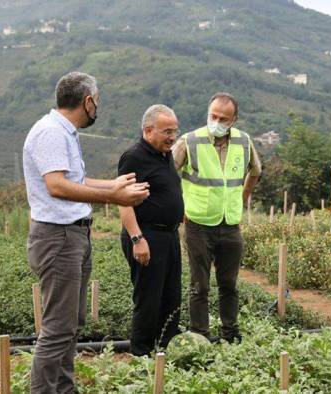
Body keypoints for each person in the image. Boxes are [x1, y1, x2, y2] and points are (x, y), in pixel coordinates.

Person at [23, 71, 149, 393]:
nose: (97, 108)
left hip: (73, 236)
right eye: (98, 102)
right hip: (59, 237)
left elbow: (76, 180)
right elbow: (57, 186)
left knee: (70, 326)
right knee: (57, 329)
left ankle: (65, 389)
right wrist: (113, 196)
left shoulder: (65, 133)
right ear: (88, 101)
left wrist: (114, 184)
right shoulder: (51, 132)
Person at [171, 92, 261, 343]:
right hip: (198, 223)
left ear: (234, 120)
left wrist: (243, 197)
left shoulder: (244, 142)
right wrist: (178, 205)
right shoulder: (190, 141)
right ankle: (200, 334)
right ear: (207, 113)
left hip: (230, 224)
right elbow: (167, 172)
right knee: (199, 284)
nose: (217, 121)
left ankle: (229, 332)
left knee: (229, 284)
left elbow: (256, 171)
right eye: (214, 116)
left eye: (224, 118)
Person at [118, 104, 184, 355]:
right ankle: (141, 356)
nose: (172, 137)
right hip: (147, 235)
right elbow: (122, 200)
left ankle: (164, 352)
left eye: (175, 131)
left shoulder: (164, 154)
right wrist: (137, 239)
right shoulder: (134, 157)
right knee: (149, 299)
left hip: (168, 236)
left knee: (171, 297)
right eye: (167, 131)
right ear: (148, 130)